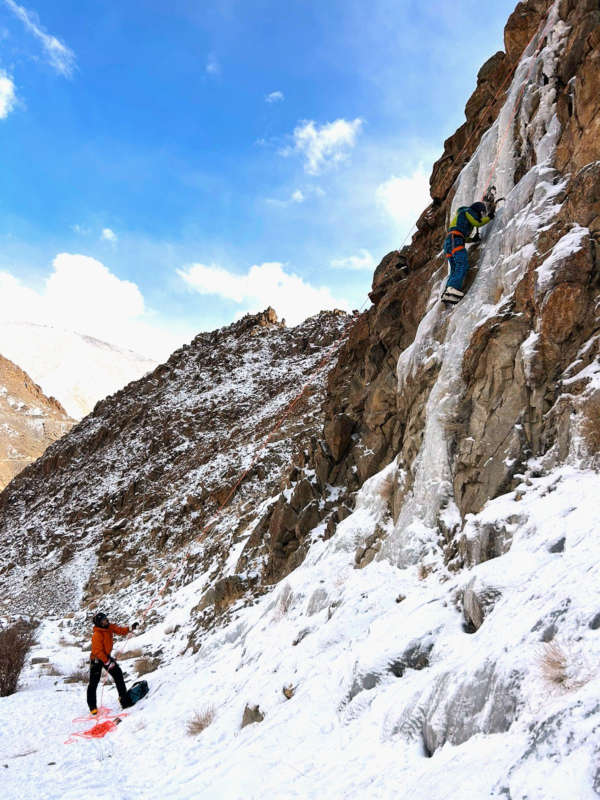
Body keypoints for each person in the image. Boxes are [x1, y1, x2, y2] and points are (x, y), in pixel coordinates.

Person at [442, 201, 495, 304]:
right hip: (455, 240)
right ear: (478, 210)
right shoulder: (468, 211)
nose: (480, 216)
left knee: (455, 268)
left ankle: (447, 293)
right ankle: (452, 289)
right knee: (462, 265)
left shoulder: (461, 215)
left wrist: (472, 240)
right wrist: (489, 217)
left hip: (450, 241)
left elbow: (463, 236)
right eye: (480, 213)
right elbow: (477, 222)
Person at [87, 611, 139, 714]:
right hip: (97, 660)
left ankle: (124, 699)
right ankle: (92, 706)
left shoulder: (109, 627)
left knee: (118, 674)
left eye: (106, 618)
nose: (107, 620)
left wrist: (130, 628)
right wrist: (107, 662)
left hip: (106, 657)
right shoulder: (97, 635)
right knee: (94, 683)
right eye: (105, 619)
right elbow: (98, 651)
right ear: (100, 623)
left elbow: (120, 630)